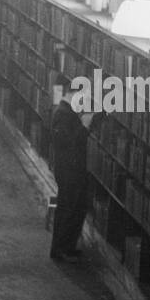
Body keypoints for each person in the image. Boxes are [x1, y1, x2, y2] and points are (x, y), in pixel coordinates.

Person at [49, 80, 94, 260]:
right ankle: (61, 249)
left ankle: (66, 247)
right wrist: (84, 126)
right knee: (68, 209)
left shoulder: (67, 112)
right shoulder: (63, 113)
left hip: (72, 170)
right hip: (68, 171)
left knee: (73, 208)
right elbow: (68, 143)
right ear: (72, 94)